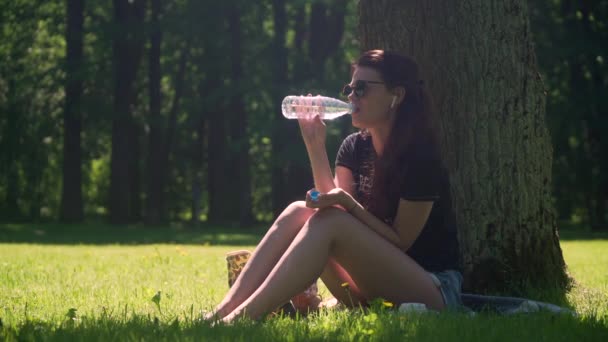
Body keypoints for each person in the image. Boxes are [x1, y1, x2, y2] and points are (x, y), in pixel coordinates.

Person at [209, 49, 462, 323]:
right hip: (369, 287)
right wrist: (315, 145)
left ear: (396, 96)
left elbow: (400, 241)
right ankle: (222, 313)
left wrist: (349, 204)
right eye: (350, 88)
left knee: (332, 222)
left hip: (430, 290)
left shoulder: (420, 158)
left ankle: (240, 320)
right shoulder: (354, 148)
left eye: (362, 88)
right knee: (299, 211)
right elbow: (332, 208)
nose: (351, 96)